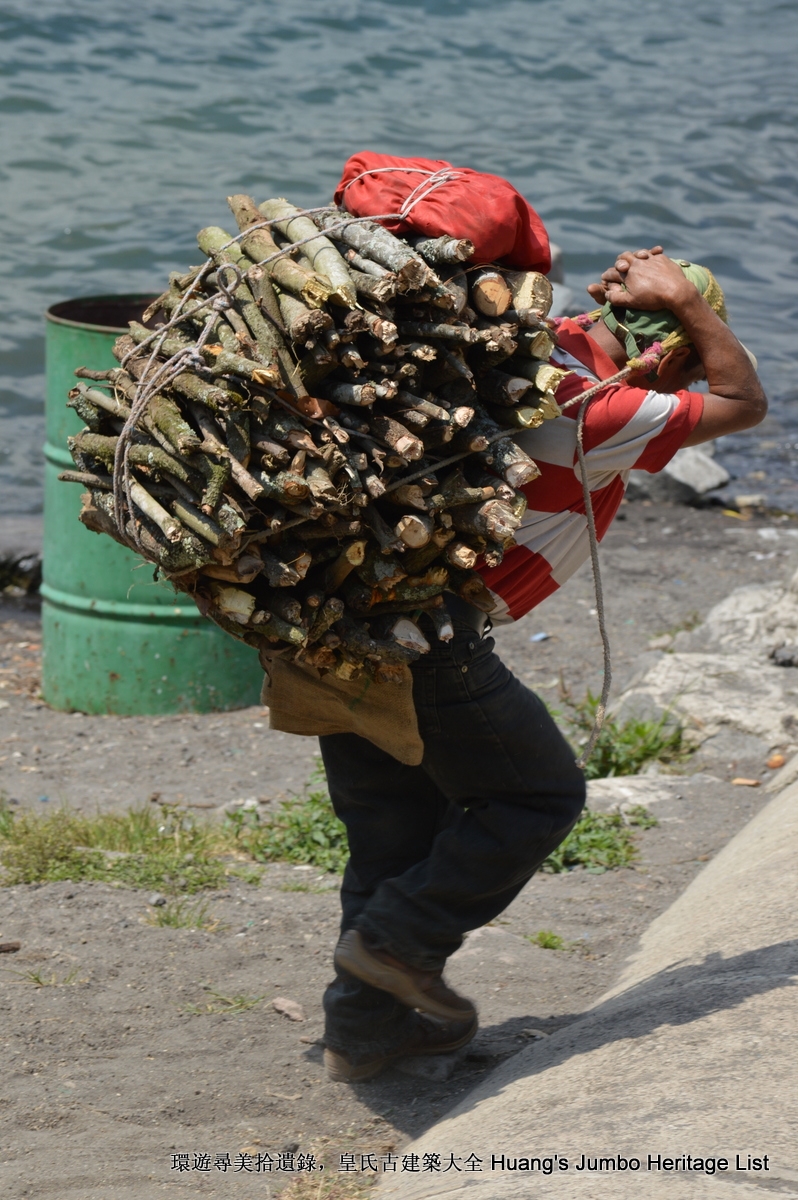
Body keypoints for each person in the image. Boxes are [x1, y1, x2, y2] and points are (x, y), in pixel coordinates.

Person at [319, 249, 767, 1082]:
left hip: (338, 613)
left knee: (392, 822)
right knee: (537, 797)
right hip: (432, 634)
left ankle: (366, 1030)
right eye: (690, 345)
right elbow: (745, 402)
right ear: (671, 348)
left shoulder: (527, 355)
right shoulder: (596, 411)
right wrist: (690, 308)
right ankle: (396, 945)